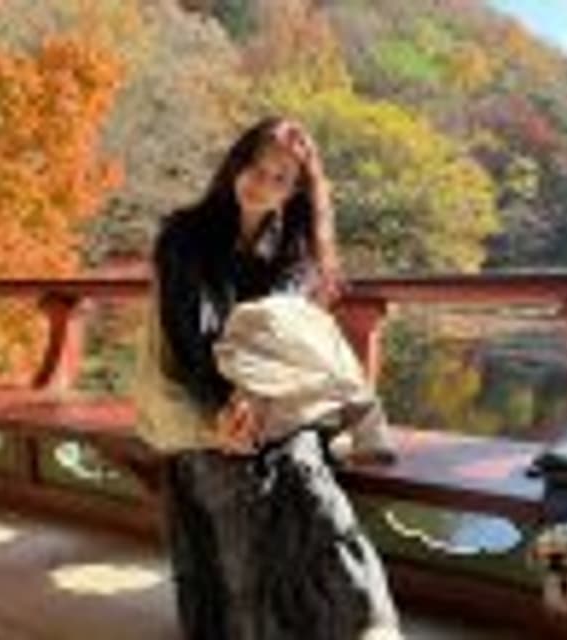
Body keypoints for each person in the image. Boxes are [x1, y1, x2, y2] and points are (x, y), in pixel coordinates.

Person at [133, 116, 403, 640]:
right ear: (235, 165)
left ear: (294, 192)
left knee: (306, 484)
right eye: (256, 168)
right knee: (234, 485)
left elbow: (277, 336)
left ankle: (361, 624)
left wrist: (255, 397)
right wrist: (225, 406)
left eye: (280, 178)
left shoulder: (294, 251)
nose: (262, 183)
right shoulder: (184, 235)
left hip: (274, 394)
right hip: (191, 388)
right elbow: (189, 336)